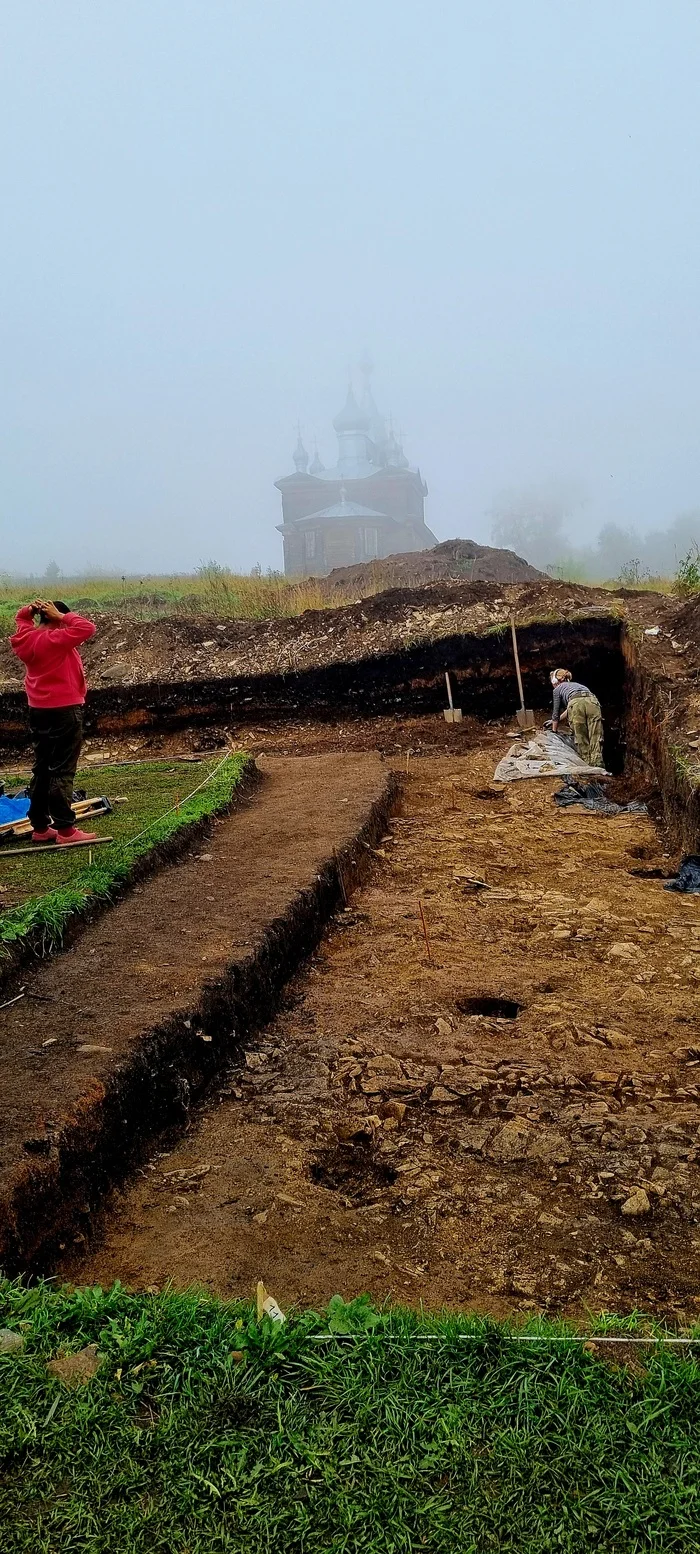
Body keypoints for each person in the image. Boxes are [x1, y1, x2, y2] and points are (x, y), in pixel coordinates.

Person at [10, 599, 99, 845]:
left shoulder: (26, 638)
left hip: (38, 709)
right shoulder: (55, 639)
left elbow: (20, 619)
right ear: (56, 618)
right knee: (62, 769)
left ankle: (40, 826)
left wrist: (29, 610)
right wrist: (62, 617)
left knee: (42, 767)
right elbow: (87, 628)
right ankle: (65, 829)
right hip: (64, 710)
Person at [549, 668, 604, 769]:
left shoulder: (557, 689)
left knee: (581, 737)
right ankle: (598, 765)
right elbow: (572, 706)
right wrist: (556, 720)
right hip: (592, 702)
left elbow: (556, 712)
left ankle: (587, 767)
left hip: (576, 705)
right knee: (595, 736)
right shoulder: (578, 686)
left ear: (554, 681)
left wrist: (554, 729)